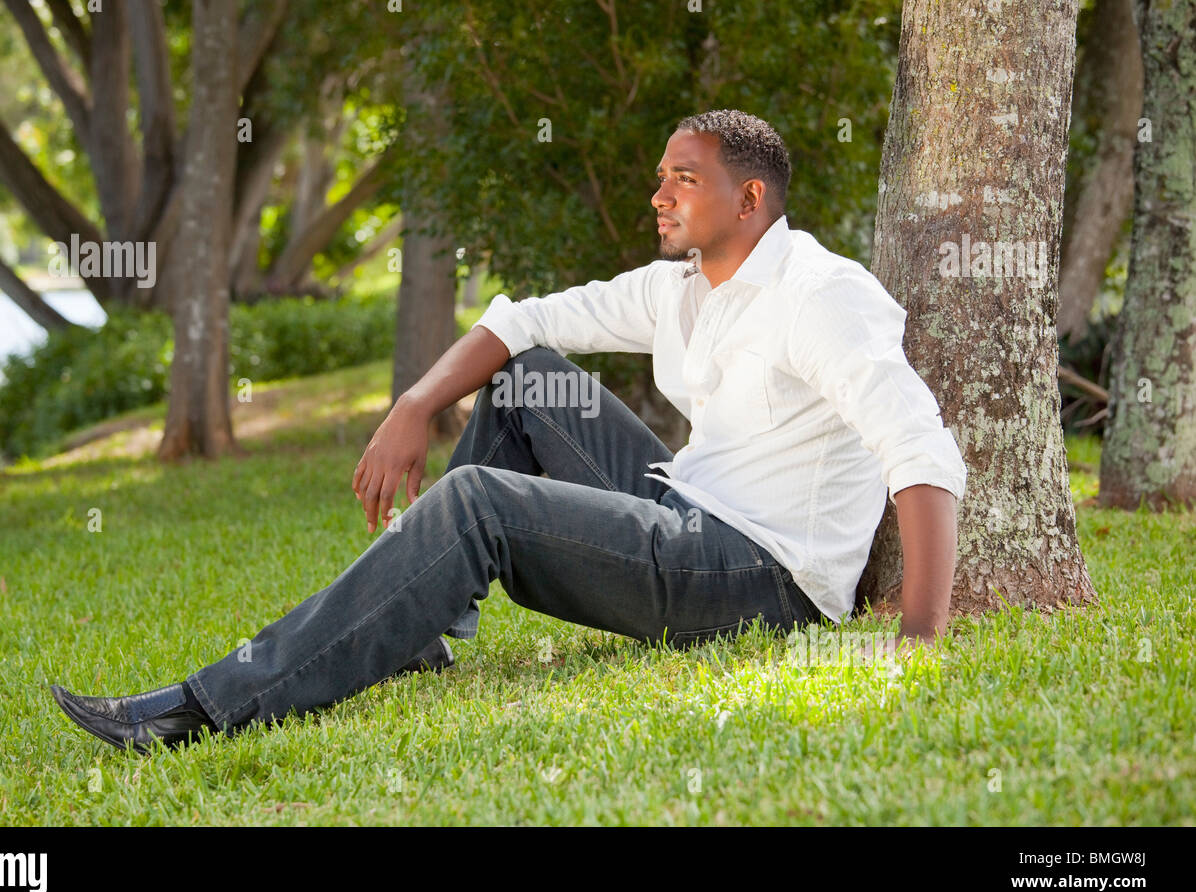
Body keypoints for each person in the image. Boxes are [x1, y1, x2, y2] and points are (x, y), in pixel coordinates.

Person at [50, 108, 966, 753]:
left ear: (752, 198)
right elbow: (522, 322)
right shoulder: (685, 287)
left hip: (759, 575)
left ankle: (208, 707)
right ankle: (419, 631)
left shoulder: (820, 295)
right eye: (660, 178)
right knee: (525, 378)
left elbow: (919, 448)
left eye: (685, 179)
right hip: (691, 510)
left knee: (479, 503)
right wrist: (414, 404)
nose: (660, 195)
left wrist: (918, 644)